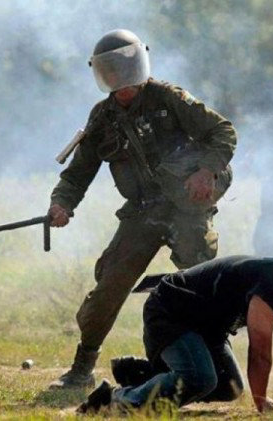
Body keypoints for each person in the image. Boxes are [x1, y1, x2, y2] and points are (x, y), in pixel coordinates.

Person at [47, 29, 237, 389]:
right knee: (109, 286)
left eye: (123, 67)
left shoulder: (170, 98)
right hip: (142, 213)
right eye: (109, 70)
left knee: (203, 287)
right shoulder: (101, 118)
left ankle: (219, 369)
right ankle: (82, 366)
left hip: (186, 209)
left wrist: (206, 170)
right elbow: (78, 172)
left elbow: (223, 132)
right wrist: (61, 203)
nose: (119, 79)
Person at [78, 239, 273, 415]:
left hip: (207, 328)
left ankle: (142, 375)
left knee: (228, 389)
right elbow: (260, 354)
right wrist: (261, 403)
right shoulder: (272, 283)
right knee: (200, 379)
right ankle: (114, 399)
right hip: (170, 314)